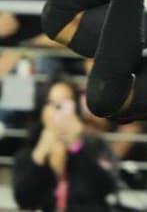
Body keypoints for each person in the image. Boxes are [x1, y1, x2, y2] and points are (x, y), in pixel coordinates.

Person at [12, 76, 117, 212]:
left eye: (65, 103)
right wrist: (41, 152)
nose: (58, 110)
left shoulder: (94, 144)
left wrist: (77, 146)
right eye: (52, 103)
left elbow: (106, 188)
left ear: (76, 108)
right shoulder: (28, 151)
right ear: (42, 110)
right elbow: (23, 199)